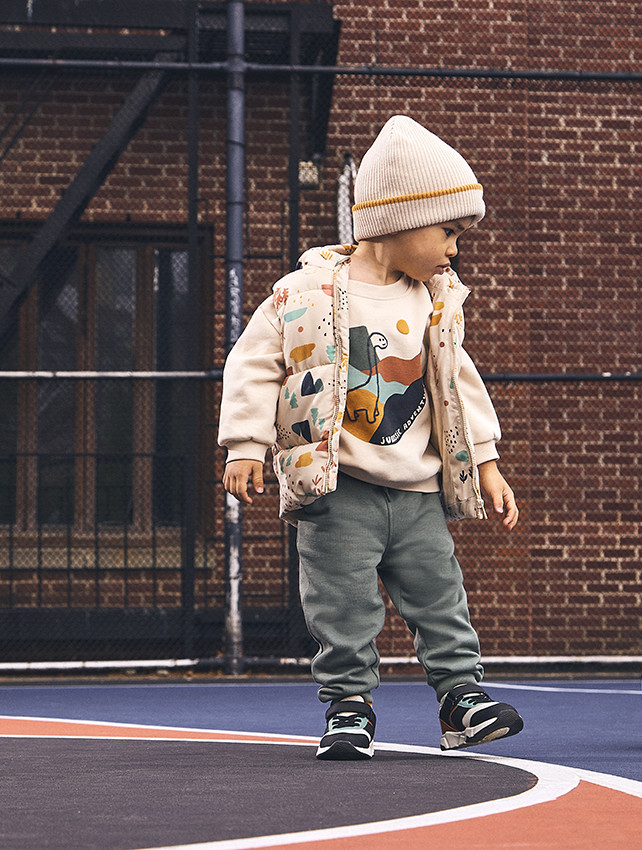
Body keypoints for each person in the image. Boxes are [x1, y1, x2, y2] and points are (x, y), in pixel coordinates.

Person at [218, 115, 523, 760]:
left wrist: (487, 462)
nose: (454, 250)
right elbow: (253, 363)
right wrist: (246, 444)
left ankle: (462, 701)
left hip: (416, 493)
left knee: (441, 597)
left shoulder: (432, 304)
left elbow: (457, 384)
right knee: (343, 605)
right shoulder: (303, 294)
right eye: (448, 232)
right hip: (339, 489)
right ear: (400, 219)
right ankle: (349, 706)